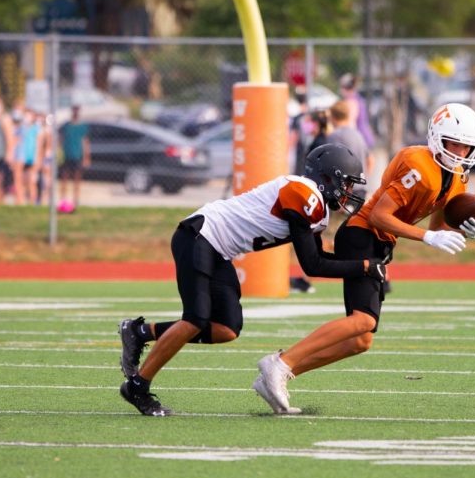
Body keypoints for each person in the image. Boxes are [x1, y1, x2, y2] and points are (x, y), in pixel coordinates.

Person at [118, 144, 387, 416]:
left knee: (226, 328)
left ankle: (140, 332)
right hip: (199, 236)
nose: (349, 193)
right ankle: (137, 386)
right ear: (329, 178)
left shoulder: (316, 209)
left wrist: (364, 264)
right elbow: (313, 264)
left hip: (219, 251)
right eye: (346, 184)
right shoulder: (302, 192)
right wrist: (364, 267)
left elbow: (319, 261)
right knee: (195, 319)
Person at [253, 103, 475, 415]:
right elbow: (379, 215)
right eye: (454, 142)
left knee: (360, 340)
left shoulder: (456, 178)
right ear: (437, 138)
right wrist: (428, 237)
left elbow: (438, 226)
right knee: (364, 320)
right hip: (362, 234)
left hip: (379, 243)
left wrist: (467, 228)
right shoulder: (420, 165)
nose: (460, 151)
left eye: (466, 145)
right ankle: (280, 363)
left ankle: (280, 373)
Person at [326, 100, 372, 205]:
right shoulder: (358, 135)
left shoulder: (335, 136)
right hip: (361, 191)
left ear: (333, 117)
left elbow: (332, 164)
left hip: (345, 193)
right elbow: (370, 160)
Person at [58, 105, 91, 212]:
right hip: (67, 155)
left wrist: (86, 156)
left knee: (77, 179)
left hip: (77, 156)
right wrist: (59, 154)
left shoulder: (82, 127)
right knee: (64, 178)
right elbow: (61, 140)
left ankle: (76, 199)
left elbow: (85, 142)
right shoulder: (66, 126)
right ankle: (62, 199)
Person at [339, 73, 376, 152]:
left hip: (359, 137)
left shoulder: (350, 101)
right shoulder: (359, 99)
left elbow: (351, 123)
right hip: (364, 136)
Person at [12, 107, 42, 205]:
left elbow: (39, 144)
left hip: (31, 156)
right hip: (20, 155)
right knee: (19, 179)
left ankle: (33, 201)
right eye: (26, 115)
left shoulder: (36, 129)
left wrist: (37, 158)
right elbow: (15, 140)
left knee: (31, 180)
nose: (27, 117)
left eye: (30, 115)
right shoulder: (20, 127)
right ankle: (20, 199)